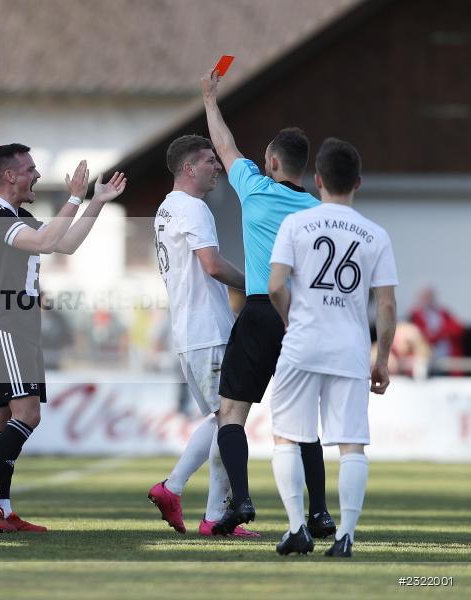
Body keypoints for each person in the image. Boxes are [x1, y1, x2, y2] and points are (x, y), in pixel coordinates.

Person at [202, 69, 333, 536]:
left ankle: (241, 502)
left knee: (232, 413)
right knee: (303, 420)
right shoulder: (318, 211)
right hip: (302, 317)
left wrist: (210, 100)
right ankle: (319, 511)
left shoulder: (255, 190)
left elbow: (224, 147)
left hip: (259, 311)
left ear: (272, 161)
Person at [0, 143, 126, 532]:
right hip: (4, 325)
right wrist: (73, 195)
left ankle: (0, 506)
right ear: (10, 176)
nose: (37, 175)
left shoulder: (16, 215)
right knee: (28, 413)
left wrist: (96, 201)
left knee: (5, 418)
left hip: (19, 327)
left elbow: (62, 243)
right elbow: (43, 243)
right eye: (31, 169)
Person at [268, 138, 397, 557]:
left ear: (317, 179)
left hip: (303, 343)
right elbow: (387, 303)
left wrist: (290, 320)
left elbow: (274, 286)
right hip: (350, 348)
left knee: (287, 436)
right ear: (357, 182)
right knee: (351, 444)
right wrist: (383, 360)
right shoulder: (376, 235)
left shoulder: (296, 224)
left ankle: (295, 529)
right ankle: (346, 536)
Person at [147, 135, 257, 538]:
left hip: (189, 331)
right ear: (189, 168)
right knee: (229, 420)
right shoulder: (193, 208)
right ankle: (175, 489)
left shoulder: (165, 208)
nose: (218, 167)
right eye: (211, 161)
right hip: (208, 328)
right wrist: (255, 285)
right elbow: (211, 265)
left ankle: (212, 516)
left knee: (222, 418)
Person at [409, 287, 464, 375]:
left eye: (430, 296)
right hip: (427, 358)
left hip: (447, 358)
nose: (429, 299)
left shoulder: (443, 312)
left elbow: (458, 328)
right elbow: (422, 336)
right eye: (426, 296)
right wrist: (440, 334)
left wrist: (440, 333)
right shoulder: (415, 314)